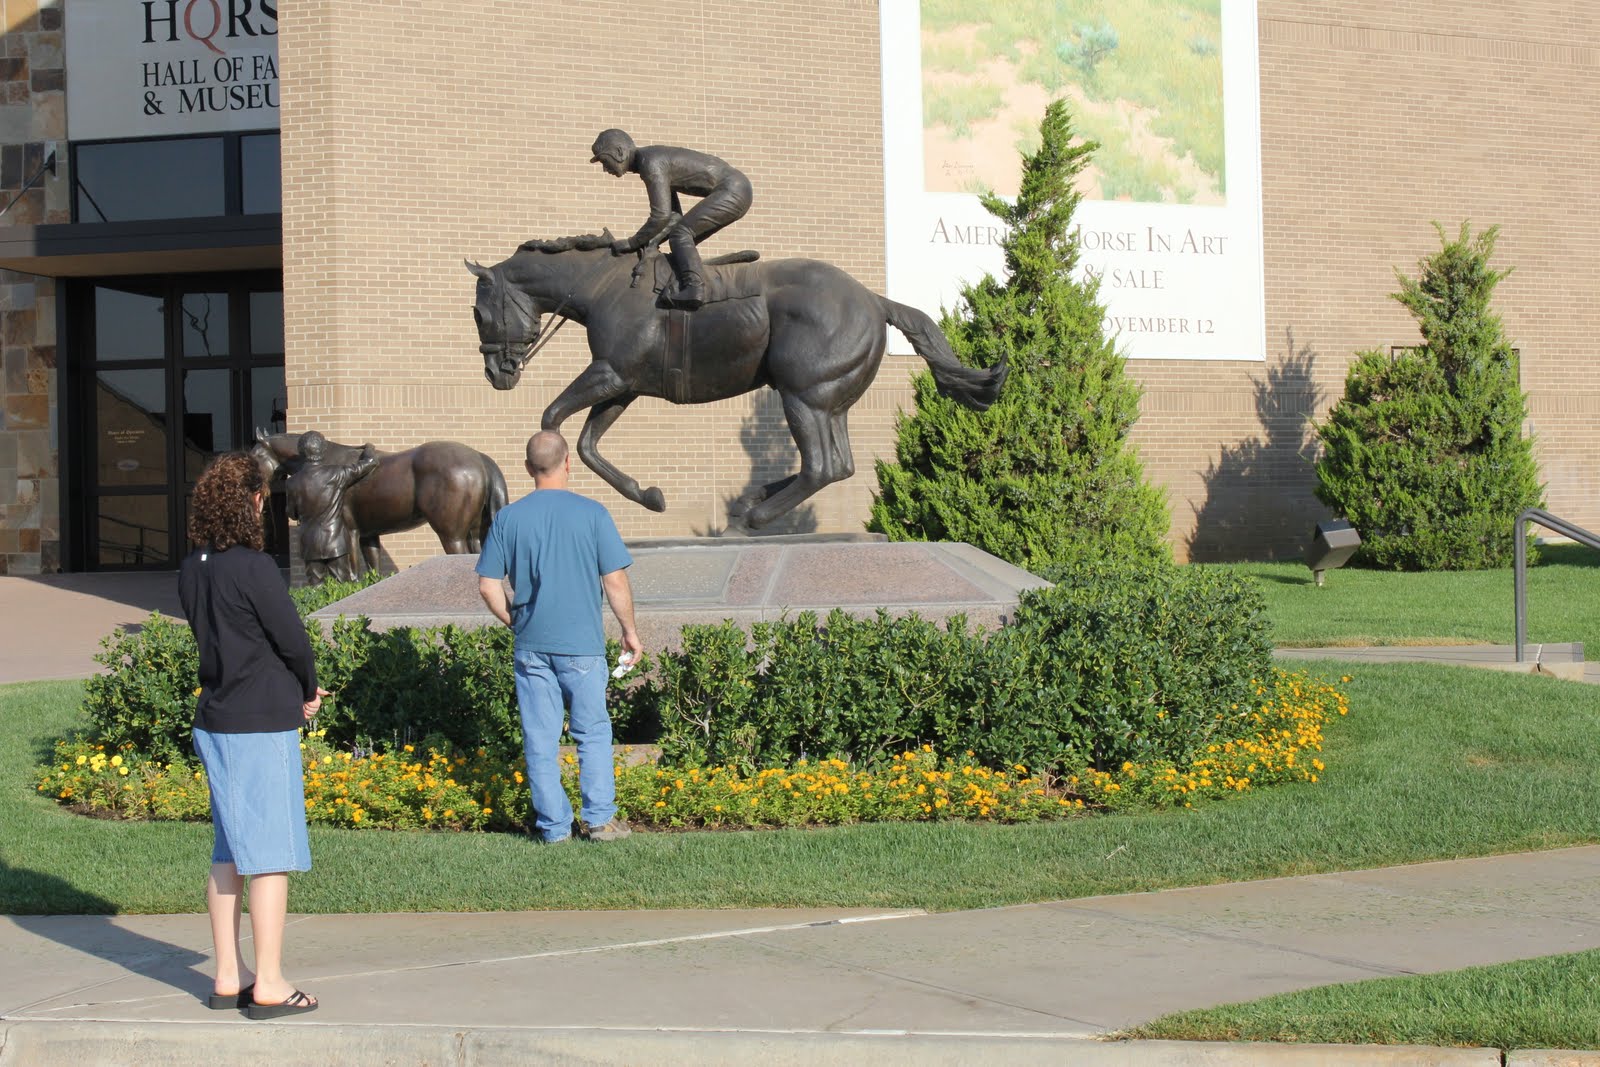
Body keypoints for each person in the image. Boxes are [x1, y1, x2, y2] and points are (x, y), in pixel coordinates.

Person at [179, 452, 328, 1020]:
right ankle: (267, 982)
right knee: (268, 855)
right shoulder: (253, 567)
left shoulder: (194, 566)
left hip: (215, 716)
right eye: (263, 498)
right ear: (253, 503)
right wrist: (308, 687)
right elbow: (291, 638)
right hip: (259, 719)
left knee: (229, 851)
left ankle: (226, 975)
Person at [476, 430, 643, 843]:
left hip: (531, 646)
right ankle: (600, 821)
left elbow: (487, 585)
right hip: (582, 646)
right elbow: (615, 580)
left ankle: (553, 828)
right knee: (592, 733)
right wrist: (629, 632)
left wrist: (512, 620)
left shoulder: (508, 518)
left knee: (540, 738)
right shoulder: (593, 514)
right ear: (568, 462)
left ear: (529, 467)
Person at [590, 128, 753, 310]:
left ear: (620, 152)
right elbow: (673, 217)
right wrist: (651, 243)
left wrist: (632, 242)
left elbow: (660, 216)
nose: (605, 169)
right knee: (681, 240)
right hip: (737, 188)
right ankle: (688, 281)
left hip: (733, 190)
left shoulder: (650, 164)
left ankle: (695, 289)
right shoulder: (653, 159)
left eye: (605, 161)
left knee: (681, 235)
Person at [284, 430, 379, 583]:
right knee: (343, 588)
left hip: (310, 545)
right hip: (336, 543)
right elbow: (370, 463)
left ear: (301, 452)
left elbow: (292, 514)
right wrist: (368, 448)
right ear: (323, 450)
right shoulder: (336, 474)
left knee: (316, 591)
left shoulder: (292, 482)